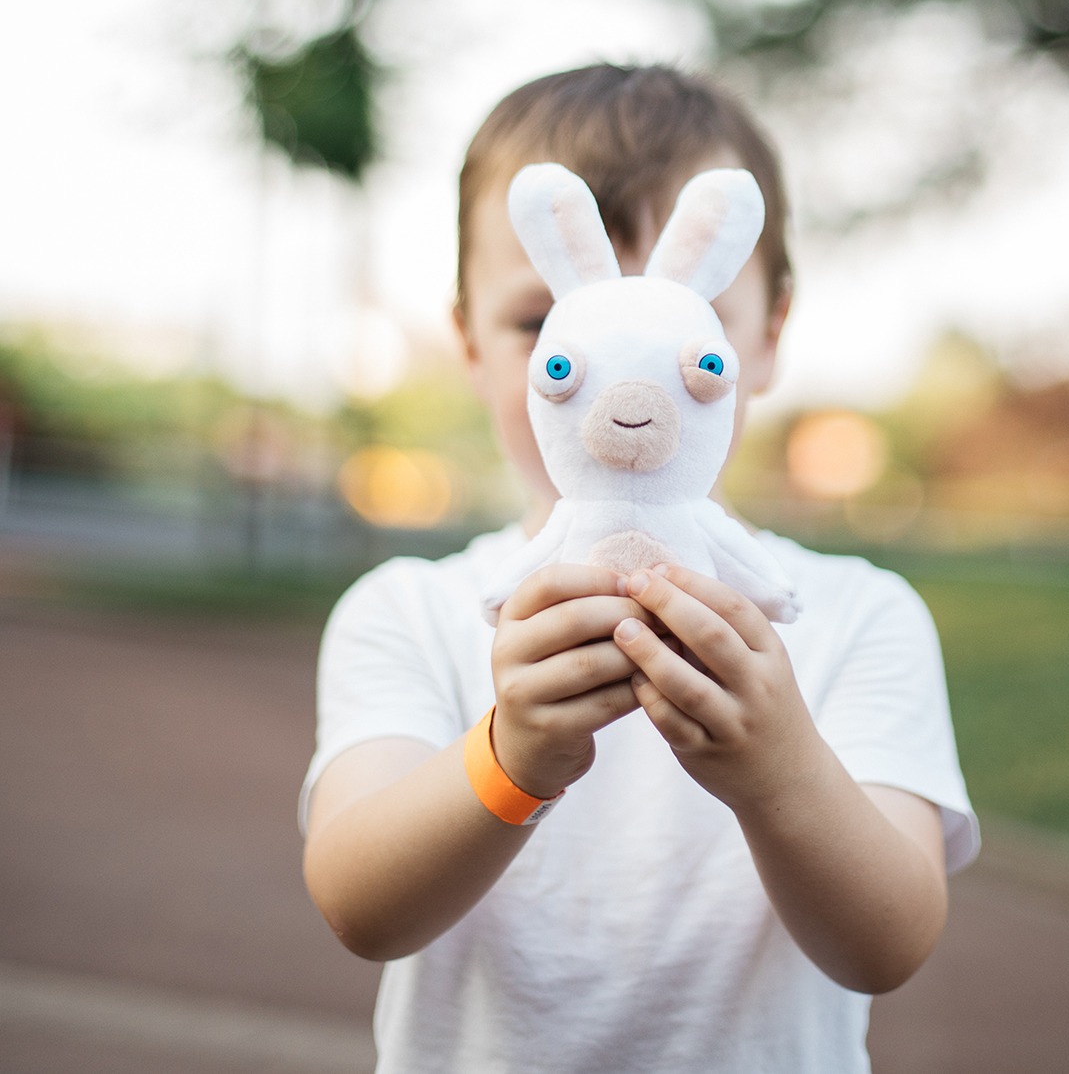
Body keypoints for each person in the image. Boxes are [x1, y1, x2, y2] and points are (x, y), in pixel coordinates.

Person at [301, 64, 979, 1074]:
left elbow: (886, 943)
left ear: (767, 338)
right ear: (470, 344)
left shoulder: (852, 616)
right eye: (543, 322)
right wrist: (508, 757)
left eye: (686, 321)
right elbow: (360, 903)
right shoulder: (407, 613)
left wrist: (778, 771)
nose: (625, 382)